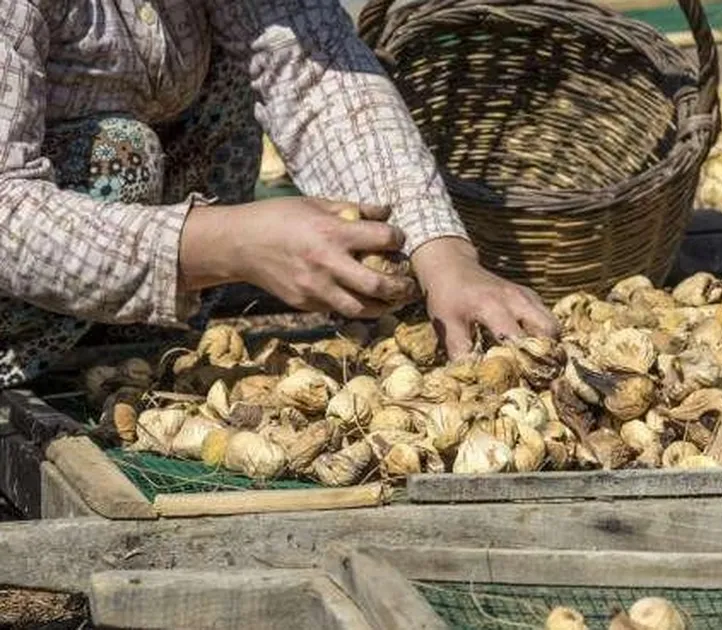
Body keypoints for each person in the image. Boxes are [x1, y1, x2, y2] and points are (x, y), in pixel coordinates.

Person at [0, 0, 560, 387]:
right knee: (119, 154)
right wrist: (229, 243)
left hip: (136, 244)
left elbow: (310, 69)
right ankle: (38, 367)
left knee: (230, 68)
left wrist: (443, 254)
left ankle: (139, 350)